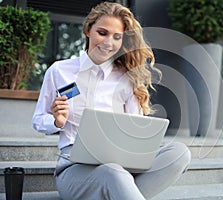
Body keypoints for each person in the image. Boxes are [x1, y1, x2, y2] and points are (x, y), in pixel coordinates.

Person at [32, 2, 191, 199]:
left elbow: (135, 130)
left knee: (179, 153)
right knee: (114, 173)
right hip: (75, 169)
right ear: (88, 30)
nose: (109, 42)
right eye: (102, 33)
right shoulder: (60, 71)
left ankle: (118, 192)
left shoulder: (127, 79)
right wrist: (57, 122)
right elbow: (38, 120)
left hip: (122, 166)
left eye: (117, 37)